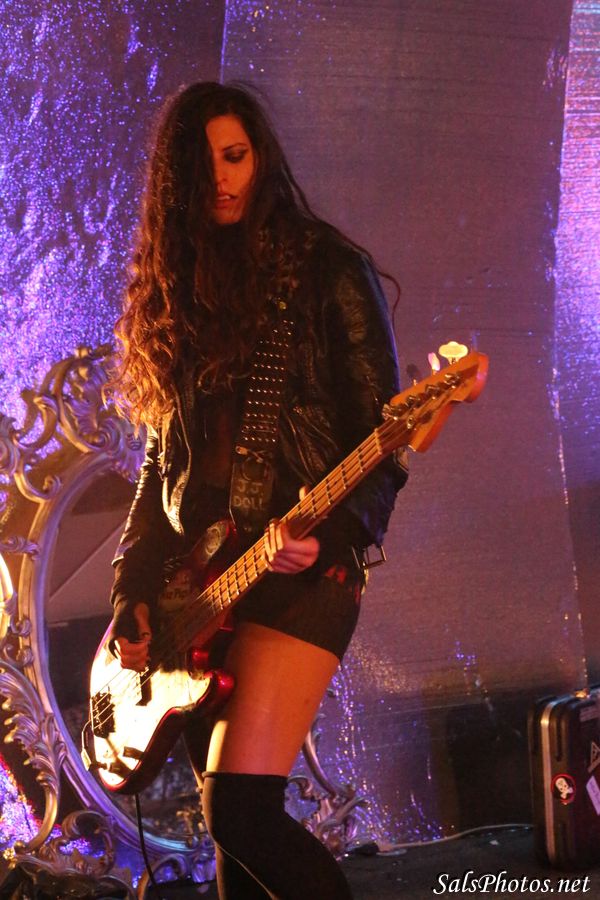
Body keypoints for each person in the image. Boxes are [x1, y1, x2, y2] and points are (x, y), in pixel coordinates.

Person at [107, 81, 407, 900]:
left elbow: (384, 444)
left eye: (235, 157)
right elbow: (160, 470)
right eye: (202, 169)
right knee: (232, 849)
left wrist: (333, 536)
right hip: (201, 591)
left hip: (305, 571)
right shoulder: (180, 291)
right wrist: (133, 588)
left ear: (261, 157)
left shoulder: (327, 270)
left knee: (238, 813)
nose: (223, 180)